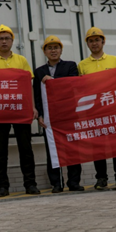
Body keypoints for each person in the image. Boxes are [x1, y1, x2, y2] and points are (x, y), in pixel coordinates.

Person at [0, 24, 40, 197]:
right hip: (0, 110)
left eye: (7, 38)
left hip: (20, 109)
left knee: (26, 148)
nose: (4, 41)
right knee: (0, 151)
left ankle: (30, 184)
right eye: (0, 39)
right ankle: (2, 186)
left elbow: (28, 85)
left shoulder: (21, 60)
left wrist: (32, 106)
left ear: (12, 41)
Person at [77, 27, 116, 191]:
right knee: (97, 146)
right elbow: (79, 90)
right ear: (87, 44)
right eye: (91, 41)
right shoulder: (82, 65)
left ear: (103, 42)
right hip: (94, 112)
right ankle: (101, 178)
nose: (94, 43)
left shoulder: (115, 61)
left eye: (97, 40)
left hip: (114, 110)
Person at [34, 35, 85, 193]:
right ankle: (56, 183)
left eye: (56, 47)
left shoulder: (71, 66)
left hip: (69, 115)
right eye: (49, 48)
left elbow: (72, 84)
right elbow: (37, 95)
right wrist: (40, 115)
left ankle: (74, 182)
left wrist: (52, 80)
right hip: (49, 118)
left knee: (73, 149)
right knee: (52, 150)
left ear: (61, 50)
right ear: (45, 52)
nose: (53, 51)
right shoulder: (39, 72)